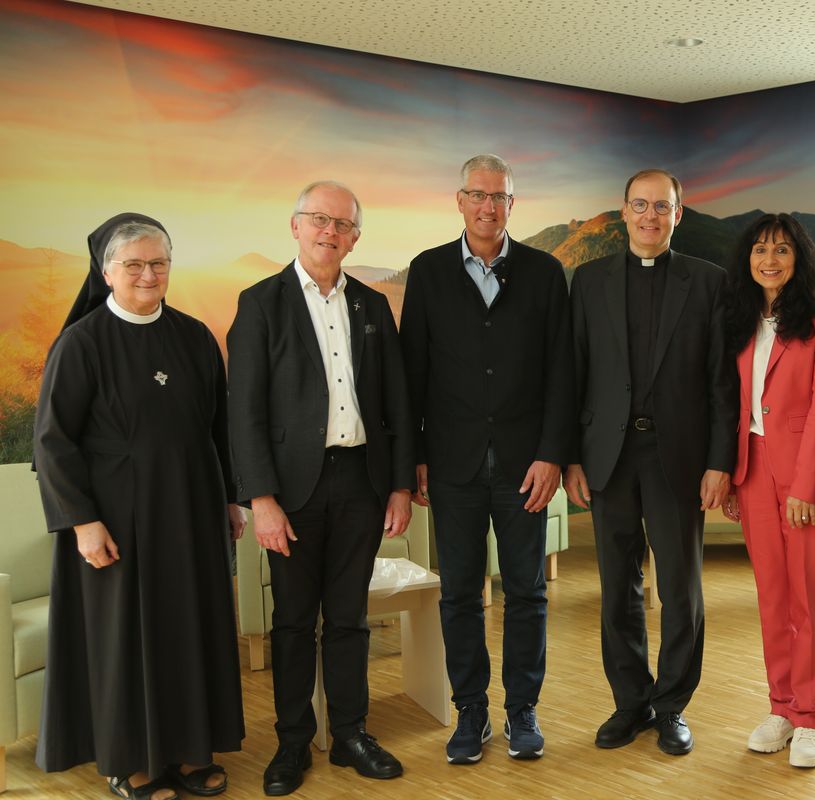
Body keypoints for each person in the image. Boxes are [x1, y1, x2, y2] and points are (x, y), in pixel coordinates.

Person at [33, 213, 245, 800]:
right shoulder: (81, 343)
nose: (148, 275)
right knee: (127, 640)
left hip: (191, 515)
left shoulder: (195, 335)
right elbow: (51, 442)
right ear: (107, 272)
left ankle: (187, 749)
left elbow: (216, 428)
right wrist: (82, 522)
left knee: (189, 628)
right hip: (116, 522)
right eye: (134, 265)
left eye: (159, 263)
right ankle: (130, 762)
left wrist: (230, 497)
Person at [227, 182, 415, 796]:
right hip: (291, 492)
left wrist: (398, 487)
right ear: (295, 225)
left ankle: (351, 734)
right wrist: (261, 500)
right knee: (292, 621)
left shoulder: (371, 304)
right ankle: (291, 742)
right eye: (318, 220)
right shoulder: (260, 303)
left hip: (361, 481)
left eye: (341, 223)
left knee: (349, 618)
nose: (329, 231)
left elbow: (394, 404)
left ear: (355, 236)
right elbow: (244, 412)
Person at [400, 154, 572, 764]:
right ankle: (470, 711)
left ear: (511, 205)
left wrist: (553, 453)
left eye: (499, 197)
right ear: (460, 200)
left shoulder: (546, 273)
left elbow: (562, 373)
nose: (488, 207)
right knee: (460, 595)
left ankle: (522, 710)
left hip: (528, 466)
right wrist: (415, 456)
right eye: (478, 195)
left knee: (527, 592)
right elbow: (411, 372)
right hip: (452, 464)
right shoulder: (427, 272)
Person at [565, 168, 737, 756]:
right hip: (607, 457)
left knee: (681, 588)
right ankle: (630, 703)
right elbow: (575, 376)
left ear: (678, 214)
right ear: (623, 211)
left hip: (679, 458)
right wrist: (570, 459)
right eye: (639, 205)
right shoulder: (586, 282)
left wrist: (720, 461)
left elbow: (721, 383)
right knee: (618, 586)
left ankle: (672, 707)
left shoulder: (709, 283)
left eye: (661, 207)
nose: (649, 217)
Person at [719, 213, 815, 768]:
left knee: (808, 597)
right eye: (759, 250)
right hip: (753, 468)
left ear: (801, 259)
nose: (768, 260)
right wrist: (729, 471)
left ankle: (811, 715)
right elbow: (732, 402)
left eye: (781, 250)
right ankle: (781, 706)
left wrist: (801, 484)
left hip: (806, 476)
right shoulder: (741, 318)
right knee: (772, 595)